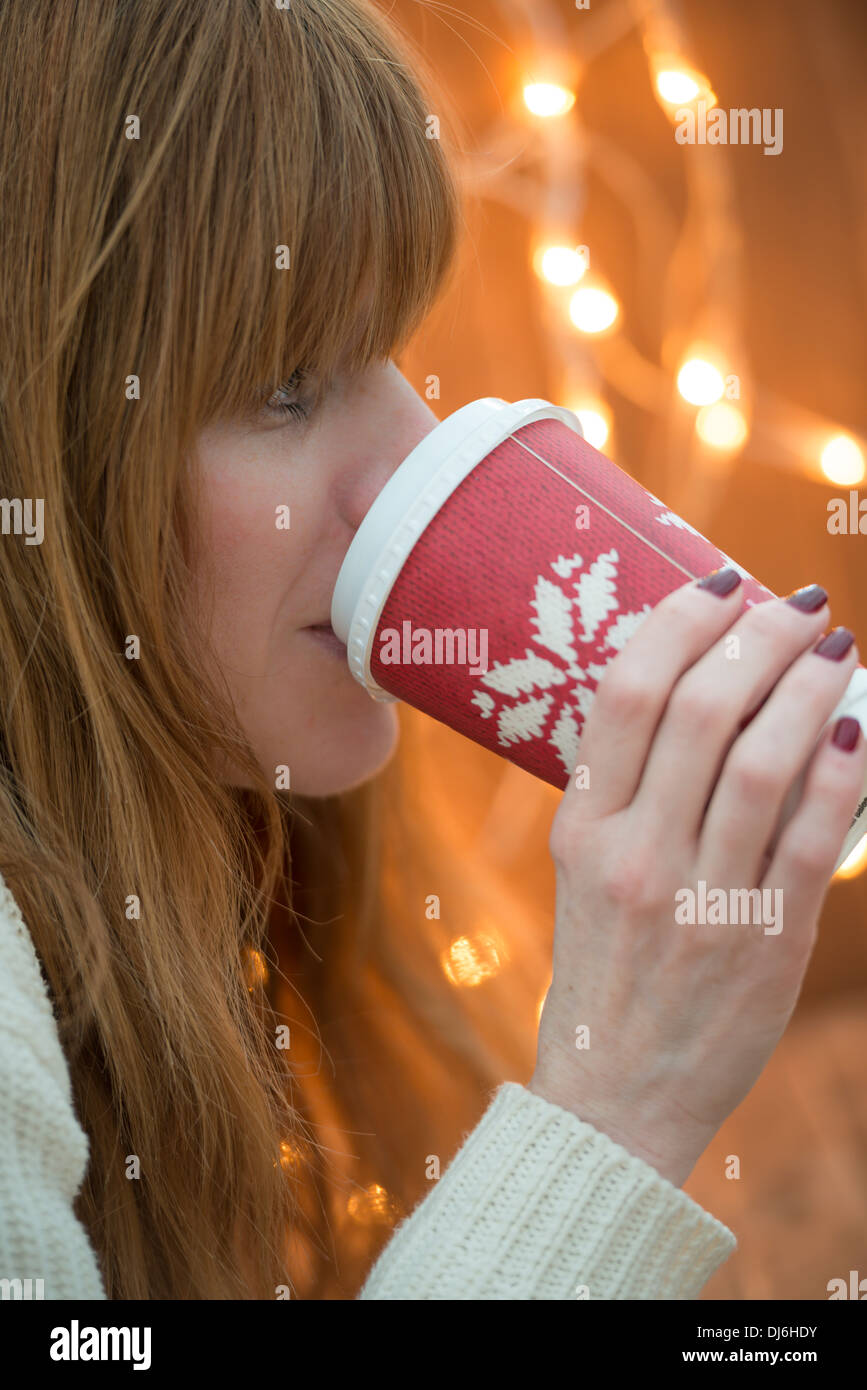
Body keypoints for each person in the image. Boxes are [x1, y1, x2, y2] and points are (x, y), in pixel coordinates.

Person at [0, 0, 863, 1302]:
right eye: (287, 380)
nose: (413, 454)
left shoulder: (246, 902)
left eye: (392, 343)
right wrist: (616, 1100)